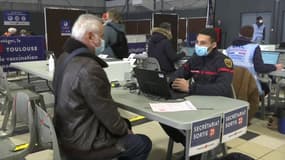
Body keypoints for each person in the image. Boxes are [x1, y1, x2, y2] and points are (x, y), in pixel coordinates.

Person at [53, 14, 152, 160]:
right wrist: (125, 131)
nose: (104, 40)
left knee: (126, 123)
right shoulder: (89, 68)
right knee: (141, 143)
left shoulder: (63, 58)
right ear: (90, 37)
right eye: (101, 35)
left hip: (66, 134)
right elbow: (109, 117)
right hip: (84, 144)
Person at [160, 28, 234, 160]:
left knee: (190, 127)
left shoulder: (224, 61)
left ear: (213, 45)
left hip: (218, 108)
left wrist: (190, 88)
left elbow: (222, 89)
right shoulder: (195, 59)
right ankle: (191, 146)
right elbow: (178, 74)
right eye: (197, 42)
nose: (198, 46)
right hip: (197, 104)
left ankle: (195, 150)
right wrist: (170, 82)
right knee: (164, 117)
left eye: (203, 43)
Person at [226, 25, 283, 95]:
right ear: (252, 36)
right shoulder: (254, 47)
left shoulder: (229, 48)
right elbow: (260, 68)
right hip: (249, 85)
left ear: (239, 34)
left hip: (231, 85)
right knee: (266, 88)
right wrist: (275, 67)